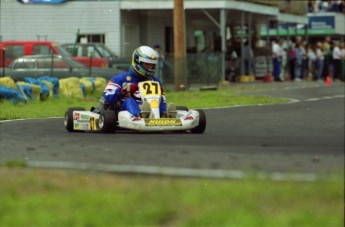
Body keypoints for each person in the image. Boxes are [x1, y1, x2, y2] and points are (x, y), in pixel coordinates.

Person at [100, 45, 176, 119]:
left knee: (160, 100)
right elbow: (107, 95)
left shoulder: (155, 81)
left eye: (152, 65)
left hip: (151, 108)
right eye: (147, 64)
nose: (150, 67)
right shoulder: (121, 79)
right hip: (124, 111)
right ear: (137, 62)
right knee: (129, 100)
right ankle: (140, 115)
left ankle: (164, 115)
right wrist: (123, 91)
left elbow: (162, 100)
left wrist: (162, 105)